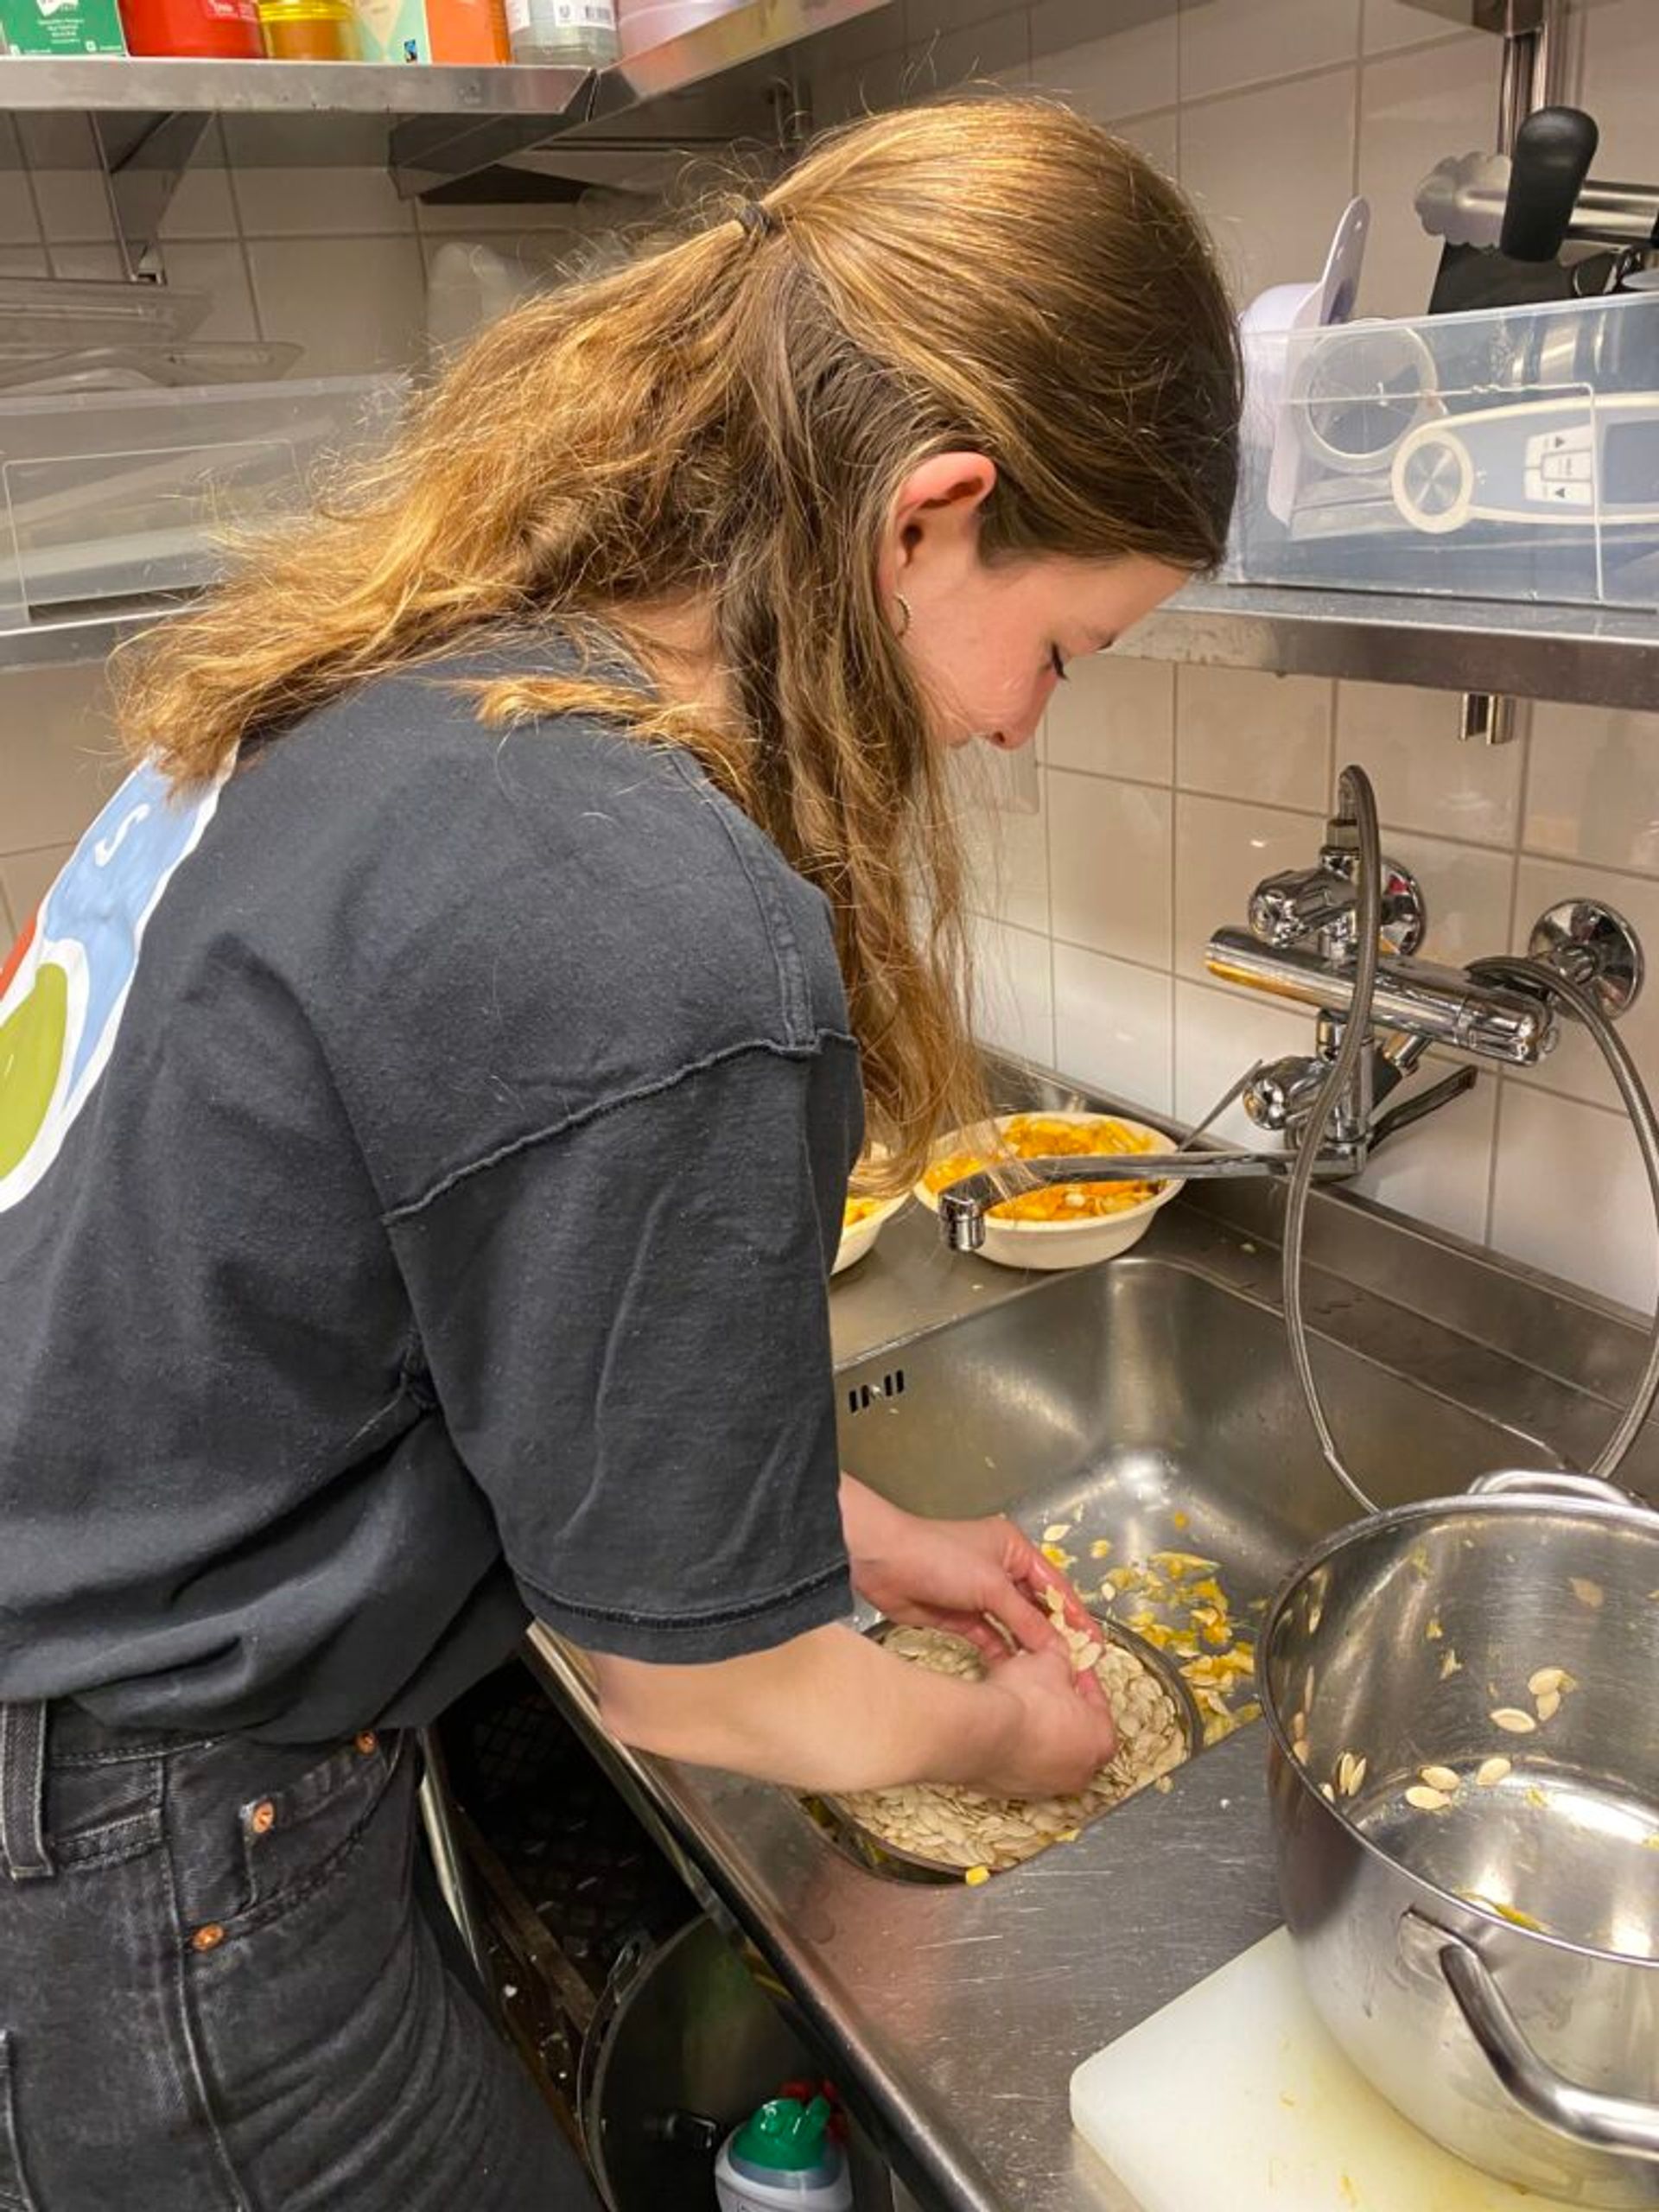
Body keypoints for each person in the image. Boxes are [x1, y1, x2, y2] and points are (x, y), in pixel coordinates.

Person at [0, 93, 1240, 2211]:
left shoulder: (422, 696)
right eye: (1065, 647)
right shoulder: (648, 906)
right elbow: (704, 1686)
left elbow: (426, 1292)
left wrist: (849, 1532)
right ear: (932, 514)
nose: (1028, 724)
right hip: (146, 1844)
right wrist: (1007, 1737)